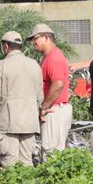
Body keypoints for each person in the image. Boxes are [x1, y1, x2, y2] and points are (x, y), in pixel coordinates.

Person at [0, 31, 43, 167]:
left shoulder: (1, 65)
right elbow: (40, 95)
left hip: (8, 124)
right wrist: (40, 112)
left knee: (9, 165)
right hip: (29, 124)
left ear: (5, 46)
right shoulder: (34, 65)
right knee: (27, 164)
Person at [27, 23, 72, 159]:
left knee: (51, 154)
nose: (33, 42)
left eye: (35, 38)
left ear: (46, 38)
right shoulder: (51, 57)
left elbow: (58, 84)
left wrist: (44, 106)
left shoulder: (53, 58)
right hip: (55, 109)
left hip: (53, 110)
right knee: (53, 154)